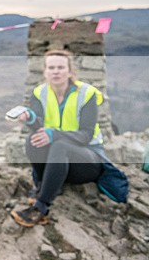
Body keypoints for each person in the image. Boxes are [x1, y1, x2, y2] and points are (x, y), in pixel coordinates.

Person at [10, 50, 107, 227]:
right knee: (33, 140)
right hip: (59, 161)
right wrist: (30, 118)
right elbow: (39, 126)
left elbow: (86, 135)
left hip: (88, 160)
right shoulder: (39, 93)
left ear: (70, 71)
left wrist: (54, 134)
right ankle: (43, 186)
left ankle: (41, 207)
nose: (56, 71)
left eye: (61, 67)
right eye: (51, 67)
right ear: (45, 72)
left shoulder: (87, 94)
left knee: (60, 145)